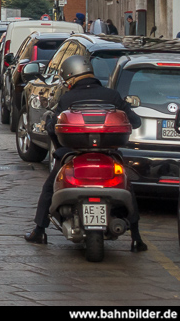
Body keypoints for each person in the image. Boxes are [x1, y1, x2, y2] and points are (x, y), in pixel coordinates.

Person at [24, 53, 145, 250]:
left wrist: (59, 147)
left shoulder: (68, 98)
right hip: (108, 154)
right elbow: (136, 121)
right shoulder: (112, 95)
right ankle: (137, 238)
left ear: (70, 75)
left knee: (49, 187)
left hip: (73, 154)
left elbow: (52, 126)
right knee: (127, 187)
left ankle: (39, 230)